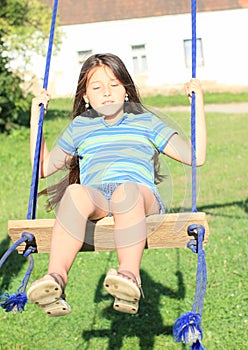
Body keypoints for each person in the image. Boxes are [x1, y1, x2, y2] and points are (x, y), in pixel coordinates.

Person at [27, 53, 206, 316]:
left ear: (126, 90)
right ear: (86, 96)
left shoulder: (145, 120)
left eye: (114, 85)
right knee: (75, 192)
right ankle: (55, 279)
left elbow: (195, 156)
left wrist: (198, 103)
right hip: (98, 197)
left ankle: (129, 278)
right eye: (97, 87)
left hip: (139, 196)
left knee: (126, 191)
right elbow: (42, 169)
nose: (107, 93)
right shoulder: (81, 126)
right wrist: (36, 117)